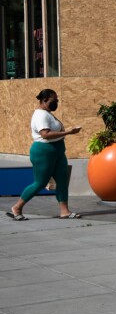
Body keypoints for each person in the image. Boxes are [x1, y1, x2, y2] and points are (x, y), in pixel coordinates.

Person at [7, 89, 82, 221]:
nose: (57, 103)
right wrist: (68, 132)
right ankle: (17, 208)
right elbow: (45, 135)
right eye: (54, 100)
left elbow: (57, 130)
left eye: (57, 100)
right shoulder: (40, 115)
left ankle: (64, 211)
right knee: (40, 183)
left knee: (62, 181)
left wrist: (66, 131)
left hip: (57, 151)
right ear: (45, 100)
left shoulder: (48, 114)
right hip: (44, 152)